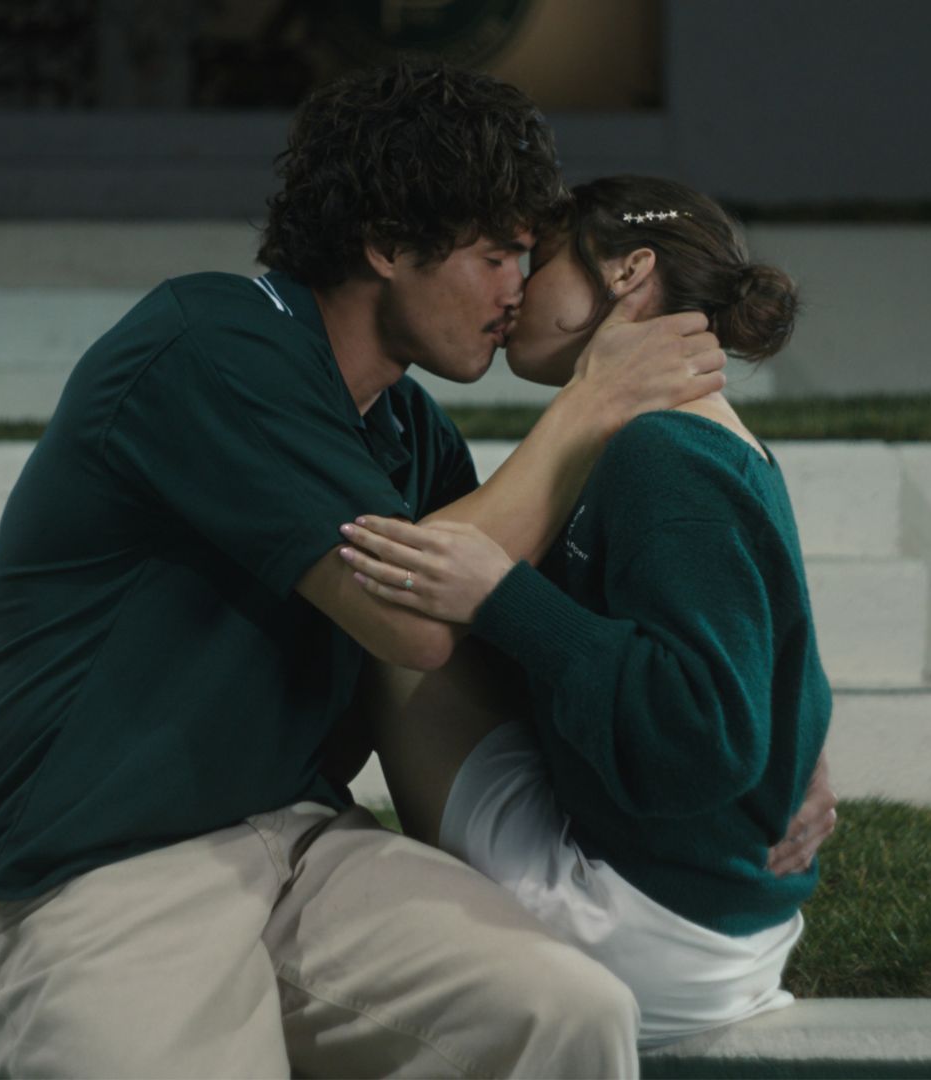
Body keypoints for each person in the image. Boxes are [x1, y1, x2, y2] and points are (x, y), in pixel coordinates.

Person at [0, 62, 746, 1078]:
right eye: (497, 253)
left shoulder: (413, 433)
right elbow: (411, 620)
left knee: (567, 1014)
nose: (519, 288)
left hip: (304, 852)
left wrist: (771, 739)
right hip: (101, 874)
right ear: (385, 242)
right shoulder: (211, 342)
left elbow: (534, 644)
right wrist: (588, 409)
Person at [336, 175, 832, 1047]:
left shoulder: (662, 450)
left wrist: (502, 596)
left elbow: (702, 737)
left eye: (539, 261)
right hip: (722, 923)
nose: (517, 287)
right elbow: (758, 648)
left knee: (395, 625)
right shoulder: (695, 434)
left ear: (627, 272)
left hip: (650, 932)